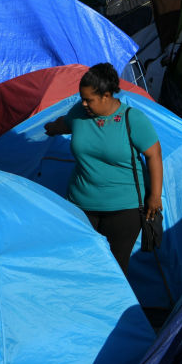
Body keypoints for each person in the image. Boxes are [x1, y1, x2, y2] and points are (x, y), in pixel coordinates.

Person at [44, 63, 163, 274]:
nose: (84, 103)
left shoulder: (132, 119)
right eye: (82, 98)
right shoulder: (79, 113)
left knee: (115, 268)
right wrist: (51, 128)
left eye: (89, 99)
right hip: (81, 204)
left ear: (106, 96)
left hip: (124, 210)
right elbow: (65, 123)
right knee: (80, 263)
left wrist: (155, 196)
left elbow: (154, 156)